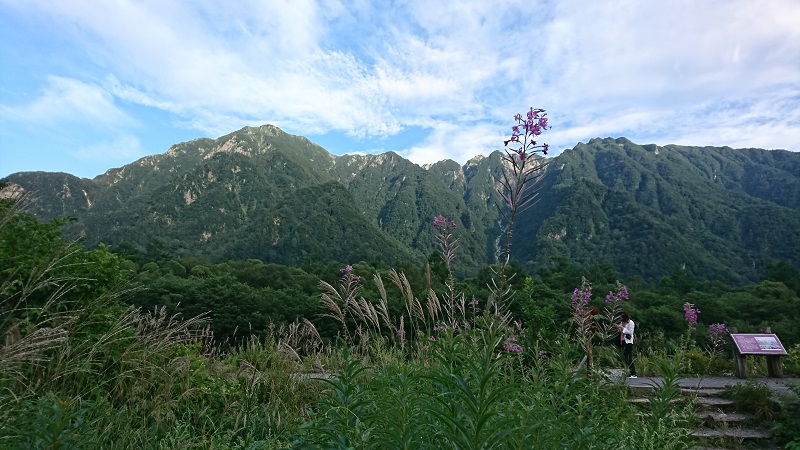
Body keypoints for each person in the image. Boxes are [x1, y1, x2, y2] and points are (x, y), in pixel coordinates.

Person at [616, 310, 637, 378]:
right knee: (626, 357)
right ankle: (631, 372)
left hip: (629, 342)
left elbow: (630, 332)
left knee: (628, 357)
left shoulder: (631, 323)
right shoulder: (623, 322)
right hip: (623, 341)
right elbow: (622, 332)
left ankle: (633, 373)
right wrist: (619, 328)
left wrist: (622, 328)